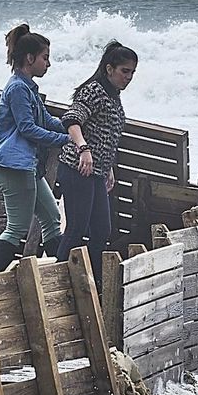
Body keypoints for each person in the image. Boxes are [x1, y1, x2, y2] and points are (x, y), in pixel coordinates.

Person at [0, 25, 69, 273]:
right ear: (30, 58)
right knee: (17, 228)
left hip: (27, 167)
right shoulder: (17, 88)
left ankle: (64, 277)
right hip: (13, 166)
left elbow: (48, 121)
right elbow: (27, 128)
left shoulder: (28, 88)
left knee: (52, 219)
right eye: (45, 58)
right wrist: (64, 141)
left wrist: (75, 124)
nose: (49, 64)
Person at [56, 40, 136, 275]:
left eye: (132, 72)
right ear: (109, 69)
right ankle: (58, 279)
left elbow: (105, 133)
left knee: (102, 230)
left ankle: (91, 282)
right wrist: (84, 149)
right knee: (76, 228)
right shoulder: (95, 90)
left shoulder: (113, 95)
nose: (129, 77)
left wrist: (108, 165)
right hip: (76, 168)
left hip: (96, 172)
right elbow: (72, 119)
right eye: (124, 71)